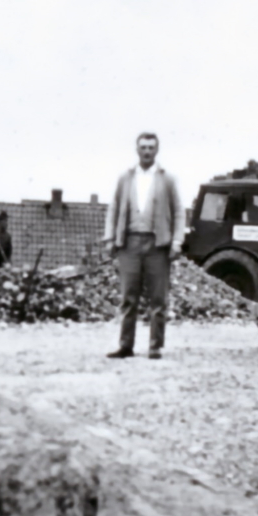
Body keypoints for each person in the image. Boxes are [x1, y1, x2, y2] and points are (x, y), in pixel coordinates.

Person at [102, 132, 185, 359]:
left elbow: (178, 211)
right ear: (137, 150)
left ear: (156, 150)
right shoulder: (125, 178)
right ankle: (125, 345)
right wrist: (110, 239)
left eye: (151, 147)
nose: (147, 151)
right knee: (128, 296)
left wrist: (177, 241)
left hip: (157, 244)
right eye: (143, 147)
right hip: (129, 244)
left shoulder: (167, 179)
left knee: (158, 298)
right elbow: (114, 208)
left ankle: (155, 346)